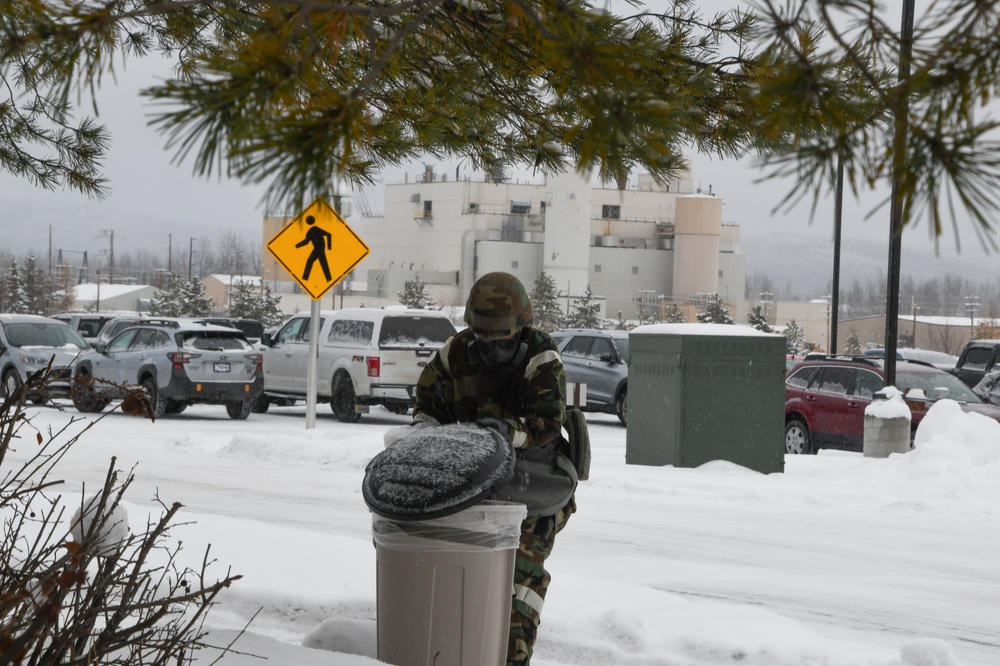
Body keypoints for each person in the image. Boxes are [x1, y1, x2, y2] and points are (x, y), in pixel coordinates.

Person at [407, 271, 574, 665]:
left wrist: (508, 433)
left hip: (531, 485)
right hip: (469, 483)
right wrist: (428, 434)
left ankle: (513, 657)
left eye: (500, 342)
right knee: (458, 580)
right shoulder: (455, 352)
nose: (489, 351)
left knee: (518, 585)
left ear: (520, 331)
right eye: (482, 339)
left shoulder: (541, 357)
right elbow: (425, 403)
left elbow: (548, 423)